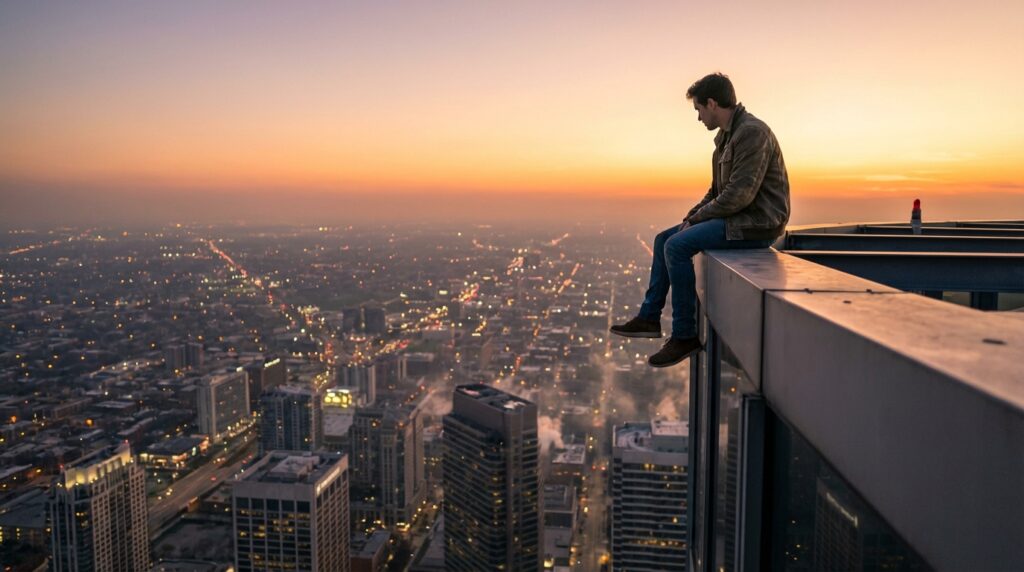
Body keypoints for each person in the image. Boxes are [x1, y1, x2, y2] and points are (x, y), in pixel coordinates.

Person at [611, 73, 790, 367]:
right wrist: (692, 216)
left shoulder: (752, 133)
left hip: (756, 224)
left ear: (712, 103)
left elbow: (738, 196)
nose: (698, 117)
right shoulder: (726, 139)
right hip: (737, 218)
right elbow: (716, 191)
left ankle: (684, 335)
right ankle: (649, 318)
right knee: (664, 239)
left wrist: (696, 221)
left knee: (676, 247)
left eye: (699, 109)